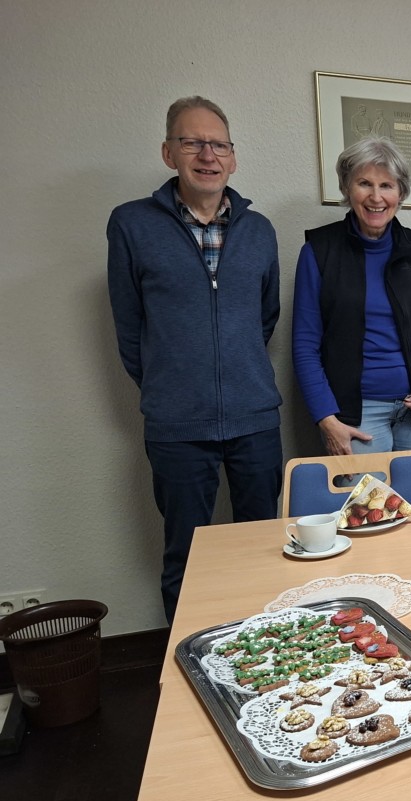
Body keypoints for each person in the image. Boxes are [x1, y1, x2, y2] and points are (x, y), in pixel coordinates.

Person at [107, 96, 283, 624]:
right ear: (168, 153)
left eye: (219, 144)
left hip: (255, 420)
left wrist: (237, 371)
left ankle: (268, 668)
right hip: (177, 424)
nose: (207, 154)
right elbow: (130, 329)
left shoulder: (259, 230)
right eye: (192, 142)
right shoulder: (132, 225)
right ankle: (188, 682)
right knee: (186, 556)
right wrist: (173, 382)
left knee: (263, 548)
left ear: (233, 158)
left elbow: (265, 318)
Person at [292, 137, 411, 486]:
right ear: (347, 188)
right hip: (356, 414)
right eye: (365, 183)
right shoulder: (319, 252)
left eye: (386, 186)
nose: (376, 197)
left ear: (400, 193)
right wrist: (325, 419)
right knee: (364, 517)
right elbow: (304, 345)